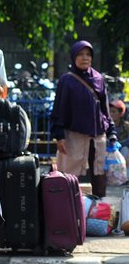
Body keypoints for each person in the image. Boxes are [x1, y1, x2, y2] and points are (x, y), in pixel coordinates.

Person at [50, 40, 117, 198]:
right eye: (80, 54)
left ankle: (98, 214)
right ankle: (68, 213)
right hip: (73, 136)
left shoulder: (99, 78)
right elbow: (59, 108)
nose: (85, 58)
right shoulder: (67, 80)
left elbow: (105, 108)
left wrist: (111, 131)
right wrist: (59, 136)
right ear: (73, 57)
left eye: (88, 54)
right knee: (69, 176)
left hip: (97, 136)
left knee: (98, 174)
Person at [110, 99, 129, 166]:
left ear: (121, 113)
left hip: (123, 157)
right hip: (109, 156)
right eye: (110, 111)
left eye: (114, 112)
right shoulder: (105, 126)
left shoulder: (126, 127)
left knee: (125, 150)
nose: (111, 114)